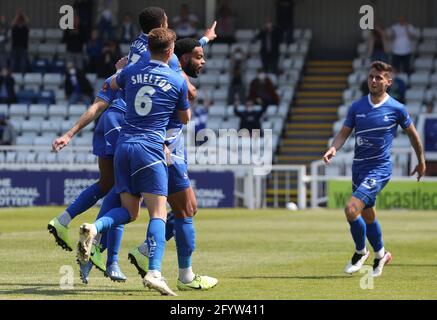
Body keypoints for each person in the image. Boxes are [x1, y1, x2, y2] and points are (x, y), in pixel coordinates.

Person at [77, 27, 190, 296]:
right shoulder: (176, 80)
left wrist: (123, 70)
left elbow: (110, 85)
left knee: (129, 212)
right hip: (150, 148)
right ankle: (154, 272)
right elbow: (184, 118)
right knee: (159, 213)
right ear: (171, 51)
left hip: (123, 147)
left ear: (147, 48)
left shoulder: (130, 72)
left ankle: (94, 228)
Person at [128, 37, 218, 292]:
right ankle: (186, 276)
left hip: (158, 147)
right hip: (165, 150)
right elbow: (189, 101)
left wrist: (204, 39)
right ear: (182, 57)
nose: (203, 61)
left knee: (188, 208)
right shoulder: (173, 76)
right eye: (199, 57)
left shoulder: (151, 71)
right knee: (185, 211)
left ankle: (145, 250)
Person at [322, 61, 426, 277]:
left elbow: (414, 136)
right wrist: (333, 147)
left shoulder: (397, 108)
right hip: (358, 168)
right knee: (368, 216)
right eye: (371, 77)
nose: (374, 81)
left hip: (379, 169)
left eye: (379, 78)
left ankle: (361, 252)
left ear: (388, 82)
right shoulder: (357, 106)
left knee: (351, 209)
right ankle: (382, 254)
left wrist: (421, 161)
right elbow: (344, 133)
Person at [49, 57, 128, 283]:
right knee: (126, 196)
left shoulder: (116, 77)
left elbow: (95, 107)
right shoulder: (150, 69)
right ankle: (106, 256)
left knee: (106, 184)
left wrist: (68, 134)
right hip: (123, 124)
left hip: (105, 124)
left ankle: (63, 219)